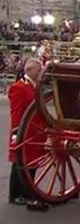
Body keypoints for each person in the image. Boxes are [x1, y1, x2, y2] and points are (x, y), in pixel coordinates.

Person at [7, 58, 49, 212]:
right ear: (30, 70)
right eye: (38, 70)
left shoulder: (34, 86)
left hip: (35, 132)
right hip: (25, 131)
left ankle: (27, 192)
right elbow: (16, 112)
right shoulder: (19, 87)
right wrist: (16, 131)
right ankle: (16, 194)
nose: (40, 73)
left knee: (31, 163)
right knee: (20, 163)